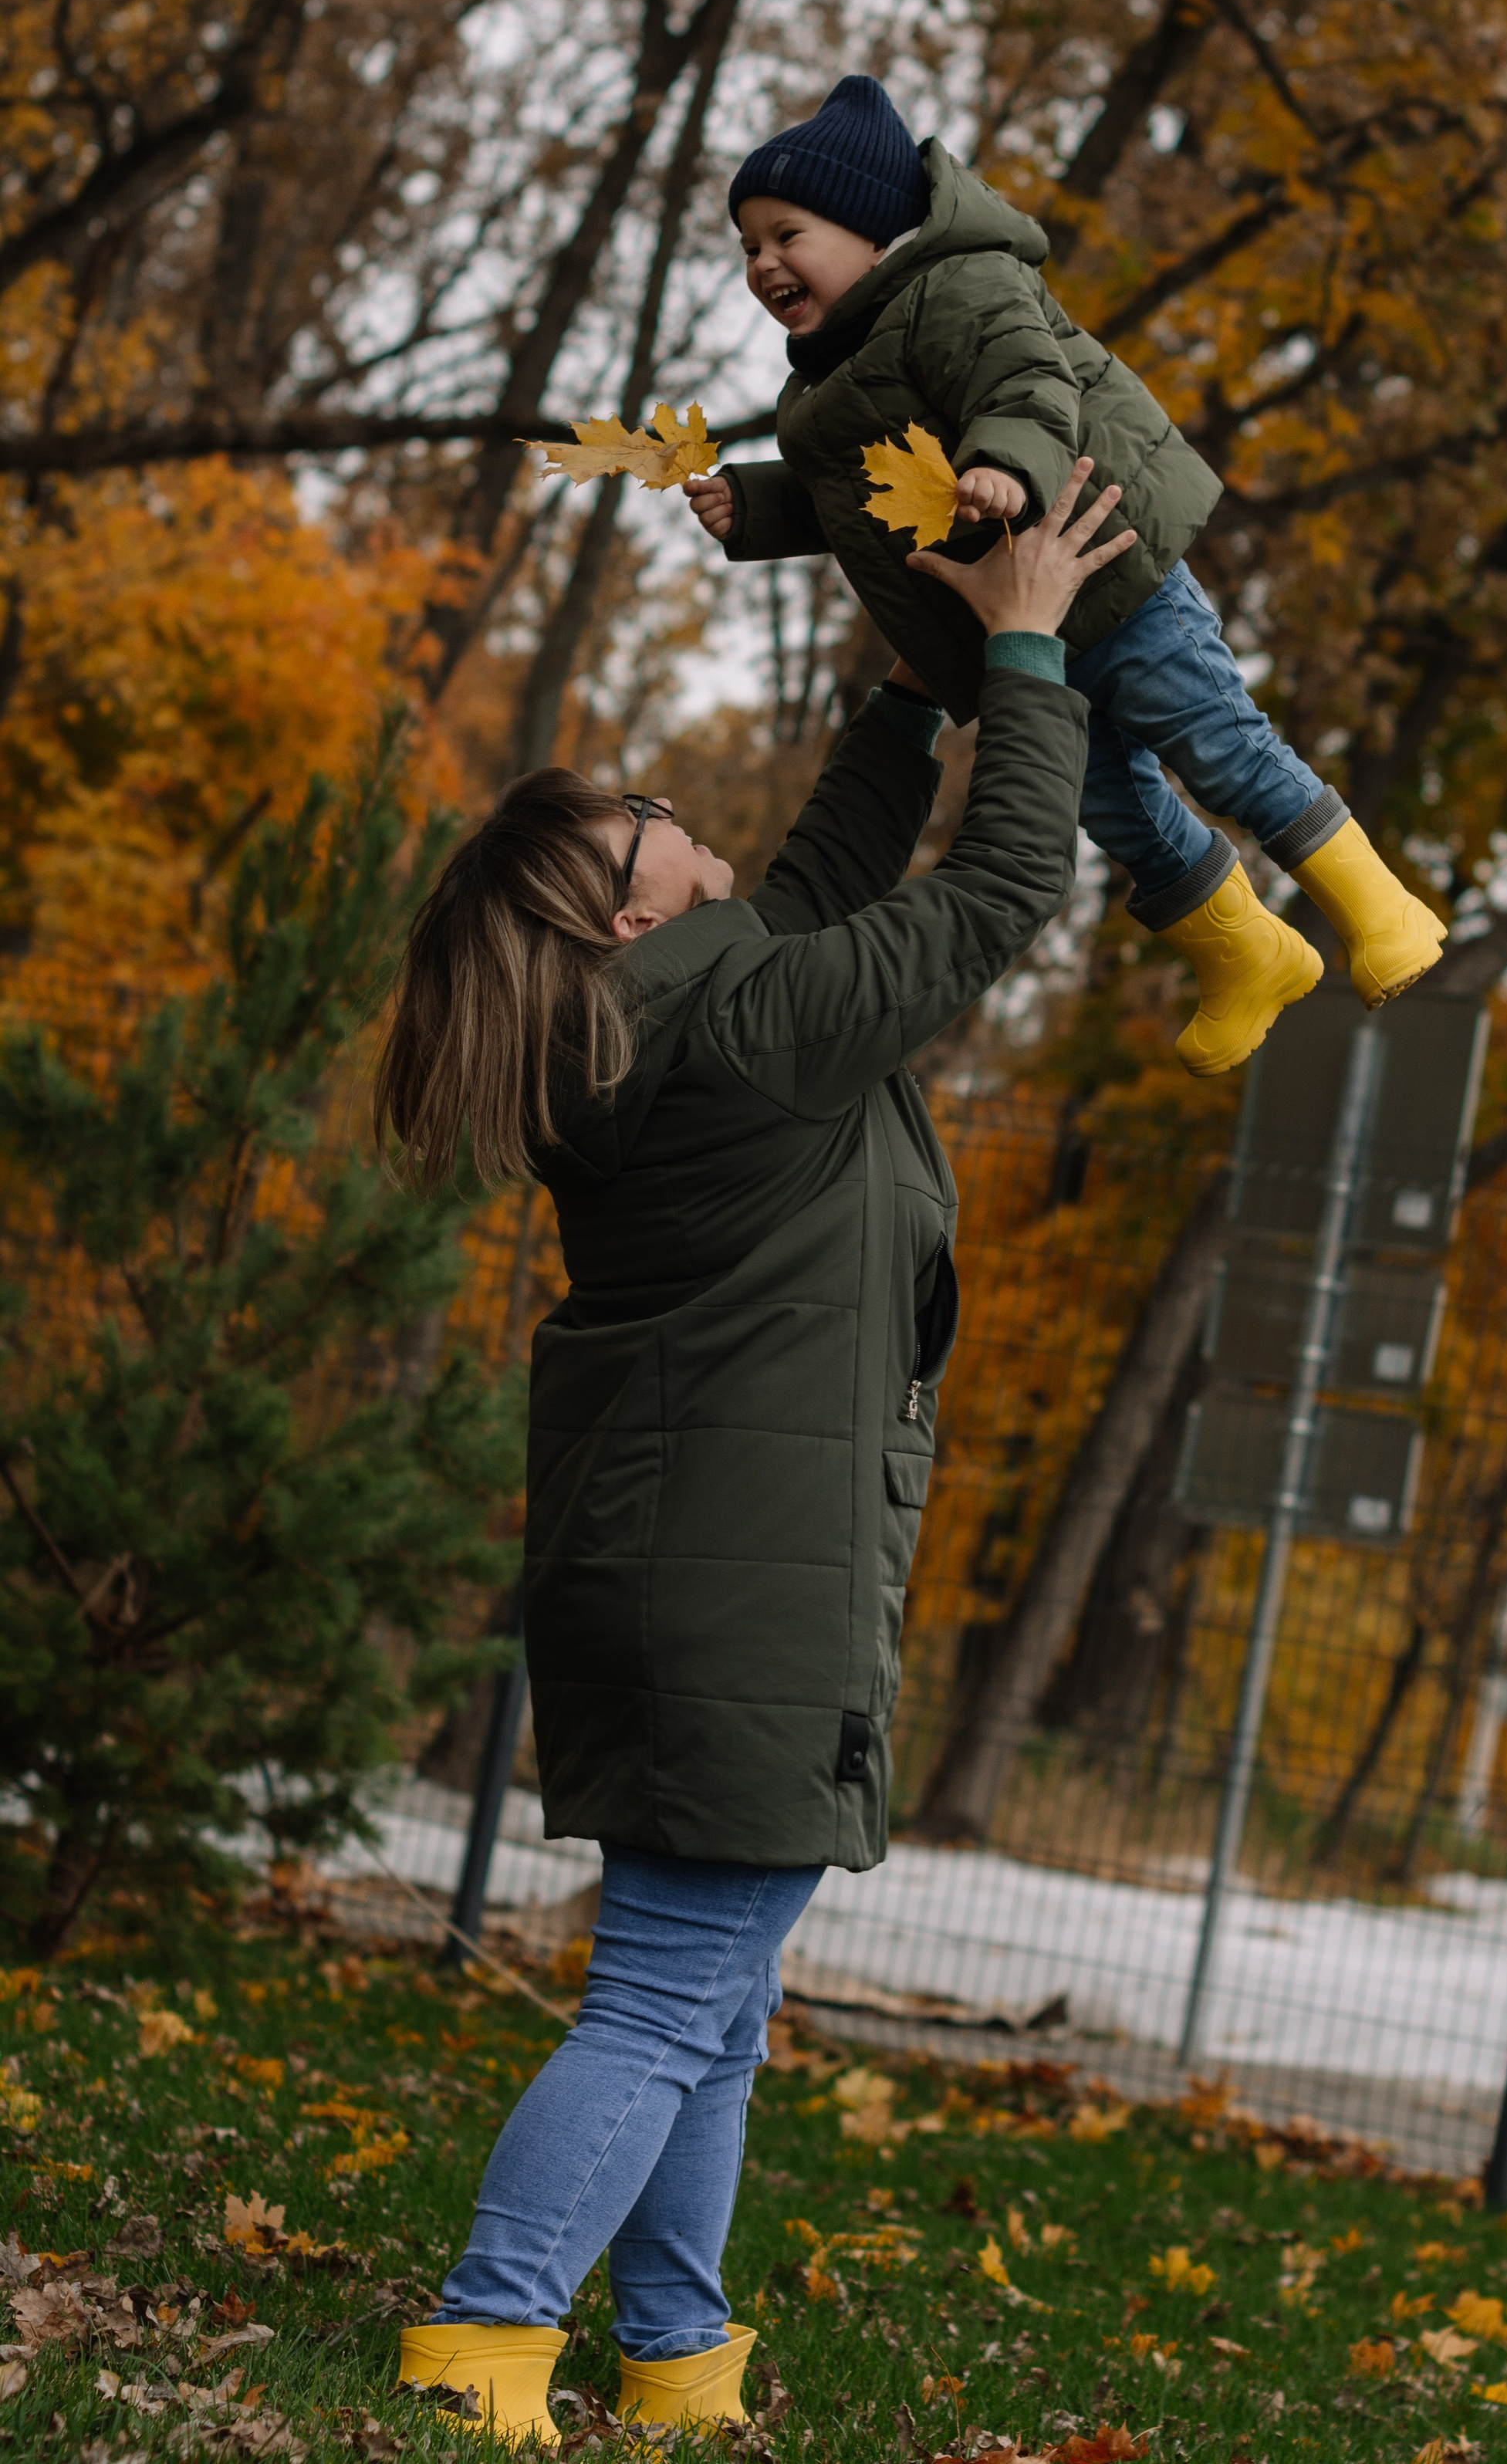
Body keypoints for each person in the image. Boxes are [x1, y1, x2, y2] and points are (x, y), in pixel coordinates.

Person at [371, 474, 1133, 2449]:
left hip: (677, 1567)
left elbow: (816, 878)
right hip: (742, 1578)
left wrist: (914, 686)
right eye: (654, 824)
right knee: (667, 1995)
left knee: (713, 1999)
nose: (688, 819)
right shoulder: (741, 1029)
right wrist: (1031, 644)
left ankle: (676, 2364)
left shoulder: (668, 1022)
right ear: (629, 905)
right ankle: (480, 2342)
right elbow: (993, 893)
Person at [686, 73, 1448, 1077]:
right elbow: (863, 491)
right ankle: (1247, 954)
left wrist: (1006, 464)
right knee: (1113, 803)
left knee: (1215, 741)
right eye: (748, 247)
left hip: (1106, 568)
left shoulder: (962, 288)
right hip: (1019, 631)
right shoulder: (824, 383)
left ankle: (1379, 907)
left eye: (788, 234)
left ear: (871, 230)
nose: (764, 262)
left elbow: (1027, 383)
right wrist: (760, 505)